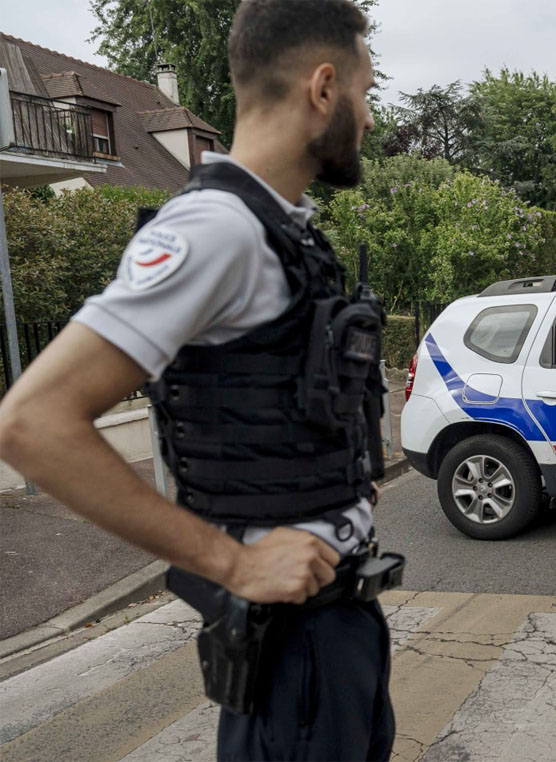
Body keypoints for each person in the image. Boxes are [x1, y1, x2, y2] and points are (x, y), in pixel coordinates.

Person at [0, 1, 396, 758]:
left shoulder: (281, 227)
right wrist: (232, 561)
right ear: (322, 87)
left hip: (335, 626)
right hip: (293, 649)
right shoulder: (218, 228)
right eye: (365, 93)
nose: (369, 120)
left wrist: (336, 484)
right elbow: (32, 422)